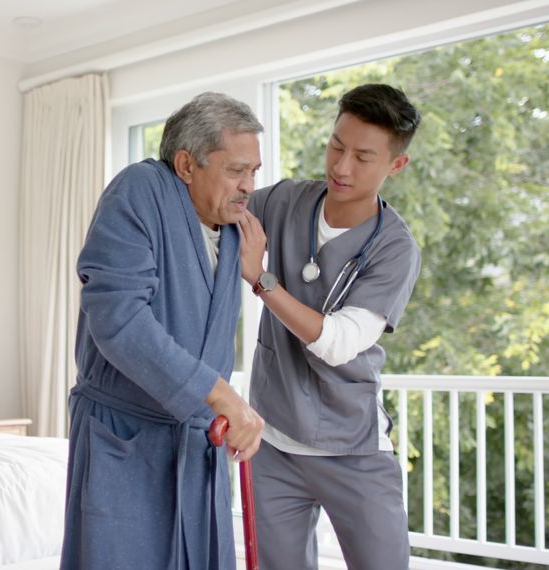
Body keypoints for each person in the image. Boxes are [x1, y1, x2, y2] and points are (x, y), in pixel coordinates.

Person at [61, 92, 266, 570]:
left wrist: (261, 278)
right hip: (126, 440)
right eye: (237, 169)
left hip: (198, 445)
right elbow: (117, 318)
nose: (248, 185)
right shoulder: (138, 191)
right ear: (186, 164)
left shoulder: (233, 224)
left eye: (254, 171)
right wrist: (220, 394)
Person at [237, 83, 422, 570]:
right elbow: (222, 216)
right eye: (337, 146)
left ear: (395, 166)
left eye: (363, 157)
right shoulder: (285, 202)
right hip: (273, 440)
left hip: (350, 447)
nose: (341, 167)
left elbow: (338, 344)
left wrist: (262, 280)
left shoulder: (394, 249)